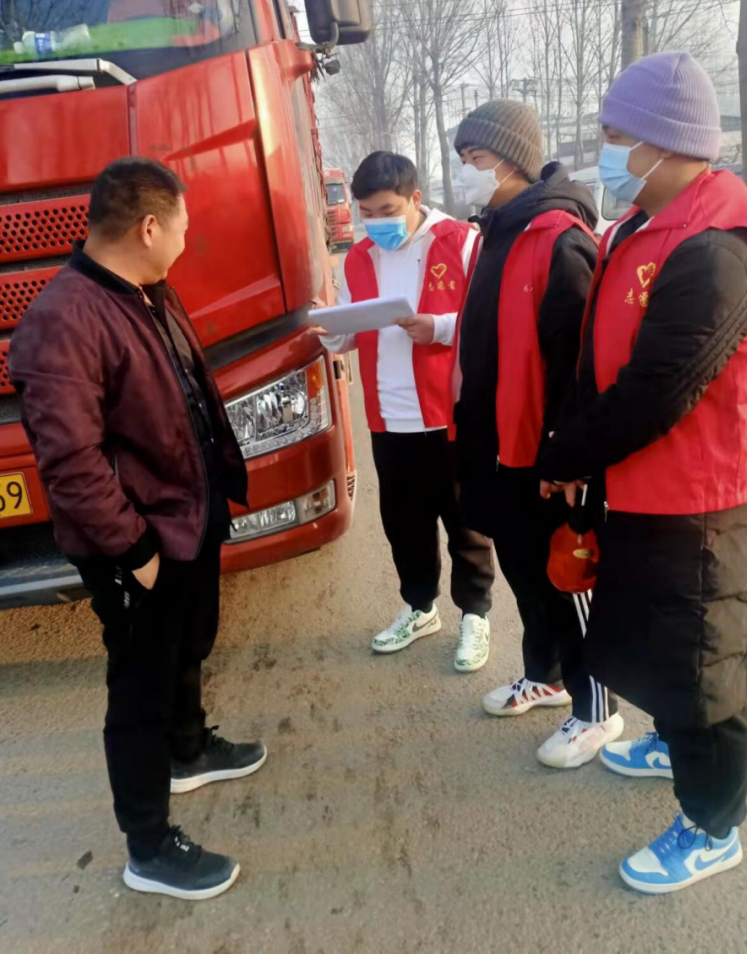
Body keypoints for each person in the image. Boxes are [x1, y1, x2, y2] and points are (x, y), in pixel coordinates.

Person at [538, 51, 747, 893]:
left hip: (701, 499)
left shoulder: (715, 246)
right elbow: (600, 356)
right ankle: (671, 739)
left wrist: (566, 452)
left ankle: (713, 825)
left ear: (664, 141)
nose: (605, 150)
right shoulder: (641, 224)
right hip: (643, 485)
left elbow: (657, 391)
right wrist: (579, 452)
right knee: (650, 635)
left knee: (702, 662)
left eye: (614, 134)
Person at [10, 158, 266, 901]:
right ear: (150, 227)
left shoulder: (147, 291)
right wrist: (135, 550)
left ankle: (188, 750)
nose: (187, 239)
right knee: (140, 688)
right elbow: (70, 461)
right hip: (141, 540)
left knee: (188, 645)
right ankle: (149, 848)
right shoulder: (62, 319)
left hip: (186, 516)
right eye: (183, 226)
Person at [452, 99, 623, 769]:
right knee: (525, 573)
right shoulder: (494, 232)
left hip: (544, 455)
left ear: (513, 160)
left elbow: (582, 364)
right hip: (497, 447)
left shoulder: (558, 237)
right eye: (462, 159)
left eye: (475, 158)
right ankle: (545, 675)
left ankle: (597, 708)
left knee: (565, 580)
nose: (466, 172)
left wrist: (569, 455)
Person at [320, 151, 495, 671]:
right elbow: (351, 330)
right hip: (388, 416)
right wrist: (330, 331)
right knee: (405, 523)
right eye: (367, 213)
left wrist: (438, 327)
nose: (377, 223)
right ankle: (420, 608)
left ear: (415, 198)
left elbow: (488, 318)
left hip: (448, 413)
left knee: (465, 522)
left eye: (388, 210)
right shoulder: (358, 258)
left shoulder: (460, 242)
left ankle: (475, 615)